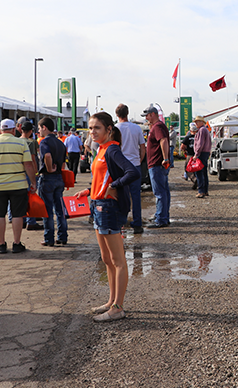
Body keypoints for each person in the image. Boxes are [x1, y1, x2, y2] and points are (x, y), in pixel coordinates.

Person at [73, 112, 139, 322]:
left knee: (118, 260)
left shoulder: (111, 149)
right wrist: (89, 190)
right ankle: (111, 301)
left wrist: (114, 186)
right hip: (97, 205)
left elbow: (132, 172)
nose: (92, 132)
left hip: (109, 208)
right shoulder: (100, 149)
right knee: (107, 259)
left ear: (109, 129)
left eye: (97, 128)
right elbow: (102, 177)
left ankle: (118, 308)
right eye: (90, 128)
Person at [0, 119, 36, 254]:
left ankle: (1, 244)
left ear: (0, 130)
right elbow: (28, 165)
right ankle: (16, 244)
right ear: (13, 130)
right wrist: (33, 182)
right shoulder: (21, 143)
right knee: (17, 215)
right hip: (18, 185)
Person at [37, 117, 68, 246]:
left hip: (48, 178)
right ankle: (62, 236)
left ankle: (49, 238)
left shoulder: (44, 142)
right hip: (59, 178)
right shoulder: (61, 142)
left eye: (39, 128)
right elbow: (64, 162)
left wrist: (49, 169)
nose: (39, 131)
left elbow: (47, 155)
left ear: (44, 127)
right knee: (60, 209)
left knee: (48, 210)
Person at [115, 104, 145, 234]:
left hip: (120, 166)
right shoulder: (136, 128)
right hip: (135, 165)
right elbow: (142, 147)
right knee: (136, 196)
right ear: (128, 113)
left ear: (117, 115)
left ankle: (121, 222)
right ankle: (137, 223)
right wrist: (139, 160)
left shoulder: (115, 129)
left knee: (121, 195)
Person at [142, 106, 171, 227]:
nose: (146, 118)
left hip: (157, 163)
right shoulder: (157, 126)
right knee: (163, 191)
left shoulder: (158, 126)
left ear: (153, 114)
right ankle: (162, 215)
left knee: (159, 192)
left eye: (147, 115)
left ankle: (161, 218)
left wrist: (165, 158)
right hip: (158, 163)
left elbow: (163, 140)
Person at [20, 121, 43, 231]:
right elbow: (33, 159)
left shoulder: (17, 141)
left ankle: (22, 220)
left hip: (19, 172)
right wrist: (36, 172)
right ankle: (31, 221)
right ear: (31, 131)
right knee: (31, 196)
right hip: (29, 172)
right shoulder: (31, 142)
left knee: (21, 197)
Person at [192, 116, 211, 199]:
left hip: (201, 153)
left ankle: (201, 191)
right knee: (204, 173)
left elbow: (200, 143)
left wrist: (196, 154)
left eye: (197, 122)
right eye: (195, 122)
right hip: (205, 152)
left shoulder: (202, 130)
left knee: (199, 172)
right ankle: (205, 190)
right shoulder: (205, 130)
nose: (196, 123)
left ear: (202, 122)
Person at [180, 122, 198, 190]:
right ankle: (198, 183)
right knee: (197, 169)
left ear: (190, 131)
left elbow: (182, 146)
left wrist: (184, 150)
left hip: (190, 155)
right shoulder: (198, 137)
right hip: (197, 155)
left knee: (187, 169)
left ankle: (194, 179)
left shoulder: (188, 137)